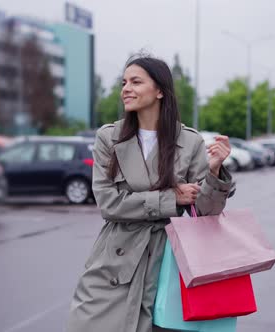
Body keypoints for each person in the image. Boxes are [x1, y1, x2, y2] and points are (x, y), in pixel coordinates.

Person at [67, 54, 235, 332]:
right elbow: (109, 204)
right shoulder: (109, 138)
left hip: (170, 263)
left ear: (159, 91)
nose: (126, 89)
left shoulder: (189, 141)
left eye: (135, 81)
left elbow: (205, 213)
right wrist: (171, 198)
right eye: (124, 82)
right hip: (116, 263)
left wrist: (214, 172)